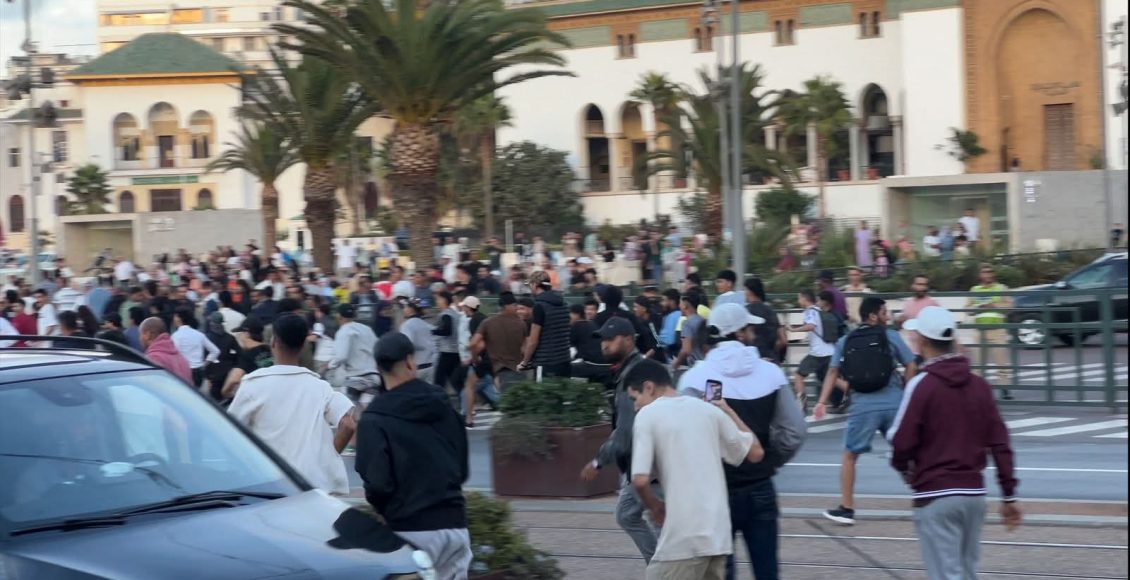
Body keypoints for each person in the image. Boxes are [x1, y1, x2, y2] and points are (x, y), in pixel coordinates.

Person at [890, 306, 1021, 579]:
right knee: (966, 572)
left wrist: (906, 471)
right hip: (974, 494)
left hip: (934, 493)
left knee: (945, 574)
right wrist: (1008, 495)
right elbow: (1000, 443)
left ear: (922, 340)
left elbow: (901, 442)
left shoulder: (921, 385)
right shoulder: (979, 385)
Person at [677, 303, 806, 580]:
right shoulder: (770, 373)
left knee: (720, 572)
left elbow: (685, 442)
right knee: (767, 571)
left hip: (715, 490)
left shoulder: (697, 378)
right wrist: (770, 459)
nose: (754, 334)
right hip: (759, 484)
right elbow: (794, 431)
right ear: (740, 333)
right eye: (750, 329)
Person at [628, 359, 765, 580]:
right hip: (717, 539)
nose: (635, 406)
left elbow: (640, 480)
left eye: (635, 398)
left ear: (649, 387)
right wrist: (727, 410)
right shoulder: (709, 411)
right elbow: (756, 452)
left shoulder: (647, 415)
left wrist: (654, 507)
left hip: (682, 540)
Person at [356, 332, 472, 579]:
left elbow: (377, 484)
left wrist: (382, 510)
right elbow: (461, 469)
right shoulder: (444, 406)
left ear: (378, 367)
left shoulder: (374, 418)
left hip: (407, 529)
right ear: (410, 362)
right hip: (454, 524)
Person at [813, 296, 917, 525]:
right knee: (907, 452)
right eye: (884, 312)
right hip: (894, 403)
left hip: (863, 406)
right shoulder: (890, 336)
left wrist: (821, 402)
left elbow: (832, 372)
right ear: (872, 316)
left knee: (850, 456)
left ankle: (847, 509)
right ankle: (926, 497)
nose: (887, 317)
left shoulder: (846, 340)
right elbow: (911, 363)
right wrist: (906, 389)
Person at [229, 314, 356, 496]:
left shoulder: (253, 384)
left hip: (269, 485)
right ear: (303, 345)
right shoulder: (319, 386)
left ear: (273, 341)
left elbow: (231, 432)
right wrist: (329, 455)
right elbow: (348, 424)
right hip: (312, 486)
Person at [579, 317, 656, 562]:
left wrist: (597, 462)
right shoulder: (635, 369)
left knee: (659, 521)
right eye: (603, 339)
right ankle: (659, 564)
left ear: (629, 339)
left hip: (646, 465)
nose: (605, 344)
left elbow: (624, 436)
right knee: (626, 514)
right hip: (643, 463)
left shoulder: (632, 376)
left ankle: (662, 567)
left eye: (611, 339)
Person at [967, 264, 1013, 400]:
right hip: (979, 330)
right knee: (978, 364)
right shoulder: (974, 290)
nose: (988, 274)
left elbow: (1010, 306)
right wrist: (977, 307)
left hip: (997, 329)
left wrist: (994, 305)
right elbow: (967, 308)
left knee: (1001, 362)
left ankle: (1005, 389)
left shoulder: (1001, 288)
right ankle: (977, 390)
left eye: (990, 272)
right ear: (980, 275)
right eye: (985, 272)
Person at [789, 289, 837, 412]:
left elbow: (811, 326)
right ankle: (849, 391)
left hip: (818, 353)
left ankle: (802, 403)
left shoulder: (810, 311)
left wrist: (794, 330)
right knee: (832, 379)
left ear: (805, 299)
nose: (798, 301)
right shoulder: (818, 310)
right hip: (829, 351)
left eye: (799, 298)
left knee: (798, 375)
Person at [519, 271, 572, 378]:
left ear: (535, 285)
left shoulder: (539, 306)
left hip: (545, 363)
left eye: (530, 285)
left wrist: (524, 363)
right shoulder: (564, 304)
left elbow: (533, 341)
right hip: (565, 361)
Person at [470, 291, 527, 390]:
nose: (517, 308)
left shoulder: (487, 323)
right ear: (506, 306)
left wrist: (475, 359)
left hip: (501, 371)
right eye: (514, 305)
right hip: (519, 371)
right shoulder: (521, 324)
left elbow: (473, 344)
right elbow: (525, 347)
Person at [330, 303, 380, 408]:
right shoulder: (367, 329)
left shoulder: (344, 330)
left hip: (355, 378)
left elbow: (341, 356)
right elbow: (378, 348)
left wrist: (330, 365)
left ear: (339, 316)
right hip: (373, 377)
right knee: (367, 412)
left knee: (347, 410)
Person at [221, 317, 274, 401]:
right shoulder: (271, 350)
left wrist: (226, 393)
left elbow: (233, 380)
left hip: (259, 399)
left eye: (240, 333)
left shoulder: (247, 355)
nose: (239, 337)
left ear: (246, 333)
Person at [171, 307, 220, 388]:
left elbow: (175, 354)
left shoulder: (176, 336)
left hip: (184, 371)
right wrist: (205, 364)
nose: (174, 319)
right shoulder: (199, 334)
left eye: (175, 316)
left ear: (179, 319)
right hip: (199, 371)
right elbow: (215, 351)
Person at [895, 274, 940, 361]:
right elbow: (900, 326)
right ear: (913, 285)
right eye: (919, 284)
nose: (921, 287)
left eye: (924, 285)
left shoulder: (933, 304)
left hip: (931, 353)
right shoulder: (907, 304)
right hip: (914, 352)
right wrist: (899, 321)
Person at [744, 278, 786, 365]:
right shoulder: (772, 312)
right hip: (772, 361)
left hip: (753, 361)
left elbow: (747, 337)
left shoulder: (745, 312)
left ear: (749, 291)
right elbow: (783, 341)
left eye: (745, 290)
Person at [140, 317, 192, 384]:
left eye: (141, 334)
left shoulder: (152, 359)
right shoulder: (182, 359)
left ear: (148, 334)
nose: (139, 338)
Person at [204, 312, 241, 402]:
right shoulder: (230, 338)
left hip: (212, 375)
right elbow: (239, 354)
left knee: (214, 402)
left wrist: (207, 376)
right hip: (227, 374)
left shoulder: (206, 338)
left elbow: (204, 358)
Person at [431, 291, 463, 394]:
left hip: (447, 352)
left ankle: (438, 400)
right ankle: (465, 399)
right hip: (456, 351)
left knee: (439, 381)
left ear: (444, 300)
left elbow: (447, 331)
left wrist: (432, 331)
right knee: (455, 381)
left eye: (438, 299)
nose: (436, 301)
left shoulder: (446, 314)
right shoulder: (455, 314)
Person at [399, 298, 437, 384]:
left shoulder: (407, 325)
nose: (403, 309)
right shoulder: (425, 324)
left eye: (405, 307)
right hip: (430, 366)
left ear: (411, 309)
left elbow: (407, 346)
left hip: (415, 368)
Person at [671, 291, 706, 370]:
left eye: (680, 303)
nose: (679, 306)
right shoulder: (703, 320)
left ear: (685, 305)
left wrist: (676, 363)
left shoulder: (687, 324)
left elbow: (686, 350)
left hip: (695, 367)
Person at [658, 289, 682, 359]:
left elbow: (669, 340)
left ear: (672, 302)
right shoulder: (669, 315)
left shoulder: (675, 316)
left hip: (672, 356)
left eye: (664, 300)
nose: (661, 303)